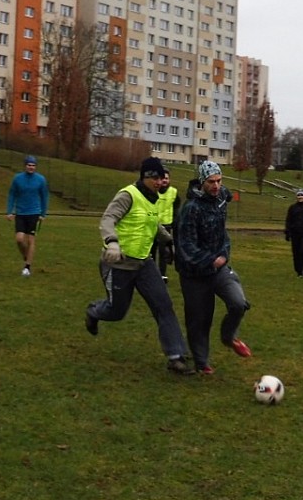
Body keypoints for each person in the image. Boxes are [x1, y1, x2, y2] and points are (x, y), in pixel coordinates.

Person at [84, 157, 194, 376]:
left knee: (164, 305)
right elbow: (108, 219)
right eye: (154, 178)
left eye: (161, 178)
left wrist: (169, 242)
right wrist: (112, 242)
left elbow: (153, 226)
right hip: (118, 264)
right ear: (144, 177)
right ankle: (94, 312)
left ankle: (176, 357)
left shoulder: (153, 200)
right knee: (117, 311)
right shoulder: (128, 195)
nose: (159, 182)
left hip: (144, 264)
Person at [175, 160, 252, 375]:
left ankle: (229, 337)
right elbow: (186, 246)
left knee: (238, 303)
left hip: (219, 268)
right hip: (194, 274)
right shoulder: (191, 209)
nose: (216, 185)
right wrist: (210, 260)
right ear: (202, 182)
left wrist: (224, 254)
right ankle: (202, 363)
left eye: (219, 180)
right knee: (199, 319)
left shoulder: (221, 199)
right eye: (211, 182)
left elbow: (223, 234)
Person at [6, 155, 49, 277]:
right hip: (20, 213)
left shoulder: (40, 180)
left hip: (34, 213)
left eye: (33, 165)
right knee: (19, 239)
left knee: (31, 240)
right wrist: (9, 211)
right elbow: (12, 194)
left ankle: (27, 267)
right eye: (29, 165)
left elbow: (44, 196)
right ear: (25, 166)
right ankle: (26, 255)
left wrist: (43, 213)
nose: (31, 167)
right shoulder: (17, 179)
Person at [151, 169, 179, 282]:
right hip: (153, 225)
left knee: (164, 252)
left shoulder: (173, 192)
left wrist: (174, 223)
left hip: (166, 226)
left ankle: (162, 275)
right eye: (162, 178)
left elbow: (177, 208)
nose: (164, 181)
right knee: (151, 251)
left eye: (166, 178)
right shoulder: (153, 191)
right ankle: (151, 274)